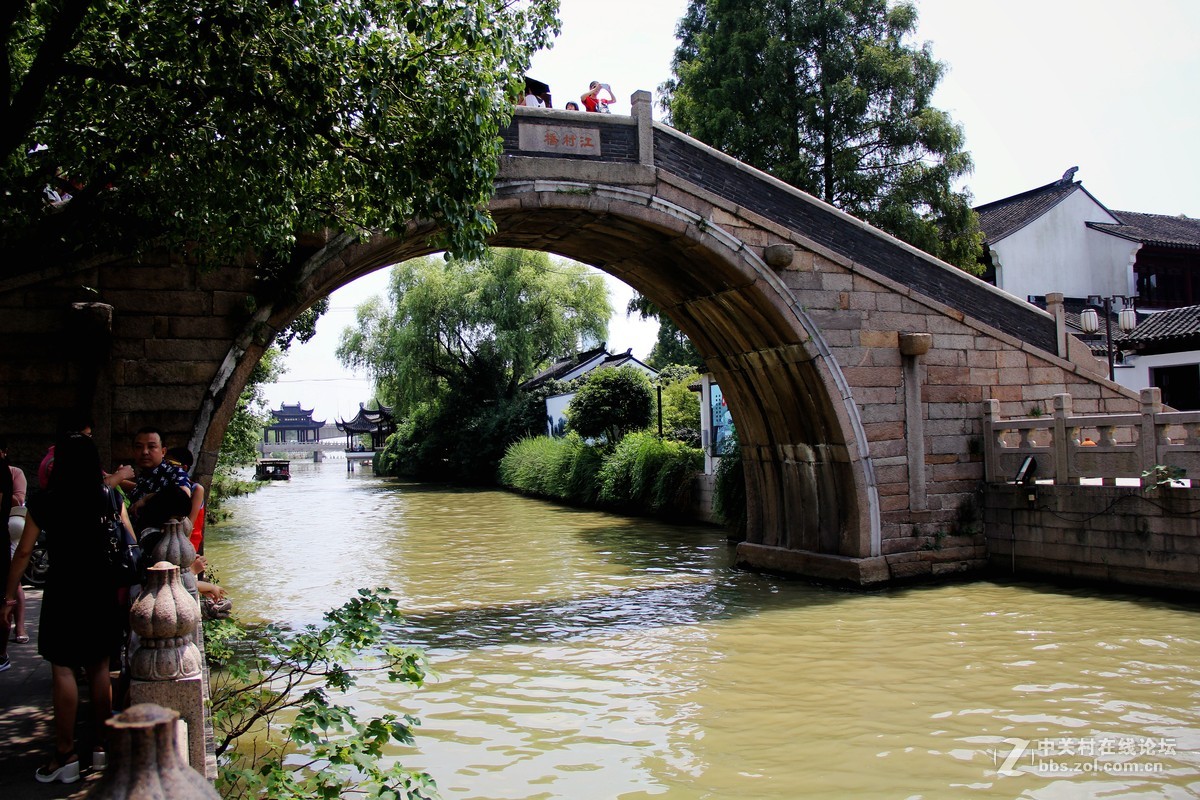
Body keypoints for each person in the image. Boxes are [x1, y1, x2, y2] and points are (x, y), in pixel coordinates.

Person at [3, 434, 131, 782]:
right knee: (100, 667)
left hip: (63, 589)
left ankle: (65, 754)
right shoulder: (108, 496)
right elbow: (127, 539)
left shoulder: (46, 501)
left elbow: (25, 552)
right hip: (101, 588)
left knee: (63, 668)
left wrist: (9, 595)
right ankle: (102, 747)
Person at [126, 427, 191, 533]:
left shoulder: (175, 473)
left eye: (151, 447)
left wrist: (147, 499)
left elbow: (183, 498)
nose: (145, 452)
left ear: (163, 451)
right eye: (139, 447)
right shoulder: (143, 476)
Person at [2, 439, 29, 646]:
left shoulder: (13, 472)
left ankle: (19, 626)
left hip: (11, 524)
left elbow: (19, 499)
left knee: (14, 577)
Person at [167, 447, 206, 553]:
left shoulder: (196, 489)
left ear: (184, 468)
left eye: (169, 463)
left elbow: (189, 525)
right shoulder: (165, 487)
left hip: (187, 545)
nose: (166, 467)